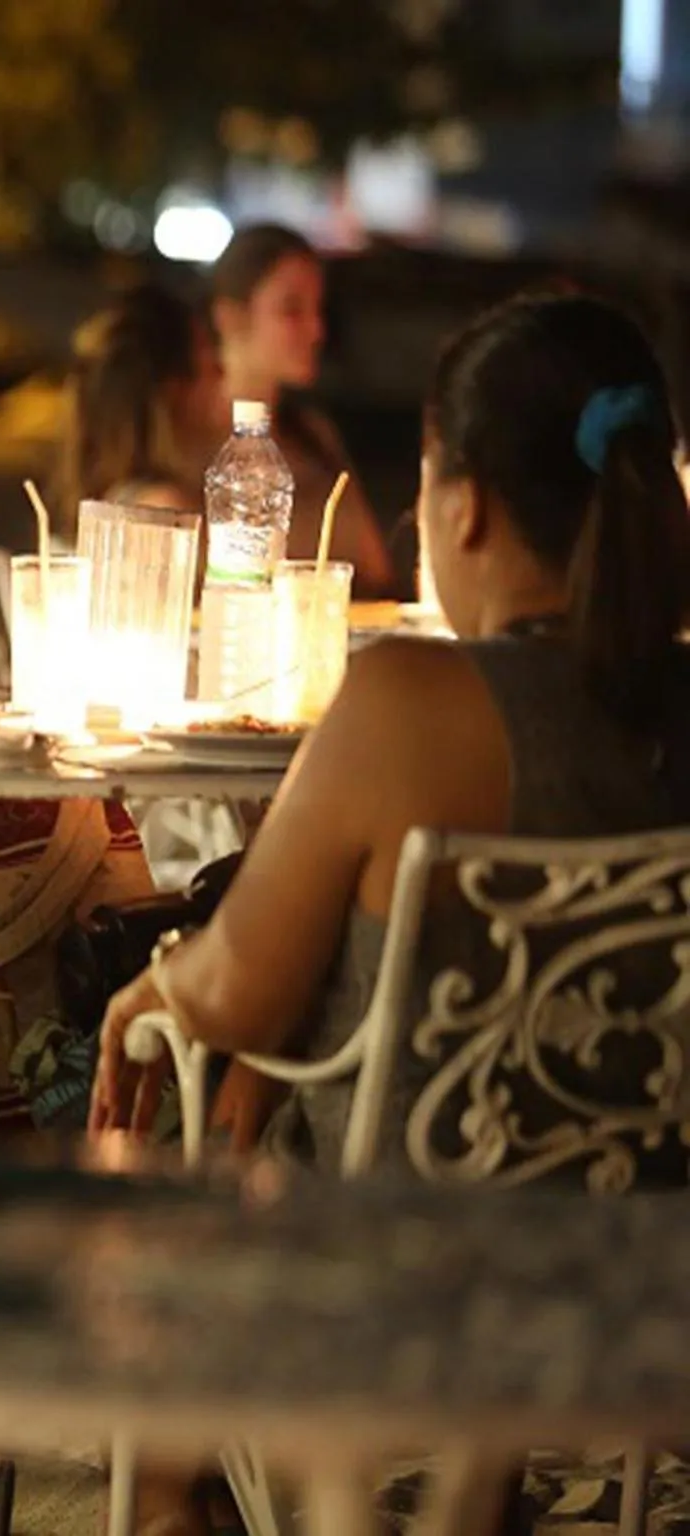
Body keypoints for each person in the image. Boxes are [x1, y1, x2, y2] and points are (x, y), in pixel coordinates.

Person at [93, 289, 690, 1168]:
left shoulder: (407, 704)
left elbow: (237, 992)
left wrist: (156, 981)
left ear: (465, 506)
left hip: (393, 1236)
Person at [211, 223, 394, 594]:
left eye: (317, 309)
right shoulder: (189, 443)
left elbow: (375, 570)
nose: (315, 330)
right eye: (292, 310)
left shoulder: (313, 435)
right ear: (230, 317)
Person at [54, 281, 226, 527]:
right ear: (174, 389)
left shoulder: (119, 499)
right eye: (211, 364)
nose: (223, 374)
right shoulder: (164, 513)